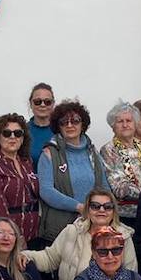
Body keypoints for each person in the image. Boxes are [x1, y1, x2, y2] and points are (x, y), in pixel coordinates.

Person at [28, 188, 137, 280]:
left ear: (113, 211)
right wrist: (23, 256)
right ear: (88, 210)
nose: (101, 210)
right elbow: (48, 259)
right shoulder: (72, 232)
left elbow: (129, 279)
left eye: (107, 206)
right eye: (95, 206)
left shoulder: (124, 238)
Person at [37, 99, 109, 244]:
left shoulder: (93, 153)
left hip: (93, 227)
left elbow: (104, 187)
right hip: (61, 230)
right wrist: (79, 207)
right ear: (58, 127)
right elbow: (46, 191)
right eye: (64, 122)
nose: (70, 125)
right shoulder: (49, 153)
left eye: (75, 121)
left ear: (83, 124)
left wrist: (103, 211)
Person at [0, 113, 41, 246]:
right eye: (7, 133)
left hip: (35, 233)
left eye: (18, 133)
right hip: (9, 237)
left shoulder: (27, 162)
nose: (12, 137)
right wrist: (15, 236)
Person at [99, 102, 141, 223]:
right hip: (128, 215)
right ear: (113, 126)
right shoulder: (109, 150)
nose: (125, 125)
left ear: (135, 124)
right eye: (120, 121)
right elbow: (119, 187)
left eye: (129, 121)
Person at [26, 83, 56, 166]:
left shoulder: (62, 131)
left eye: (47, 102)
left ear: (53, 104)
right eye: (37, 102)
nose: (42, 105)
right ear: (31, 104)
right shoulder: (21, 131)